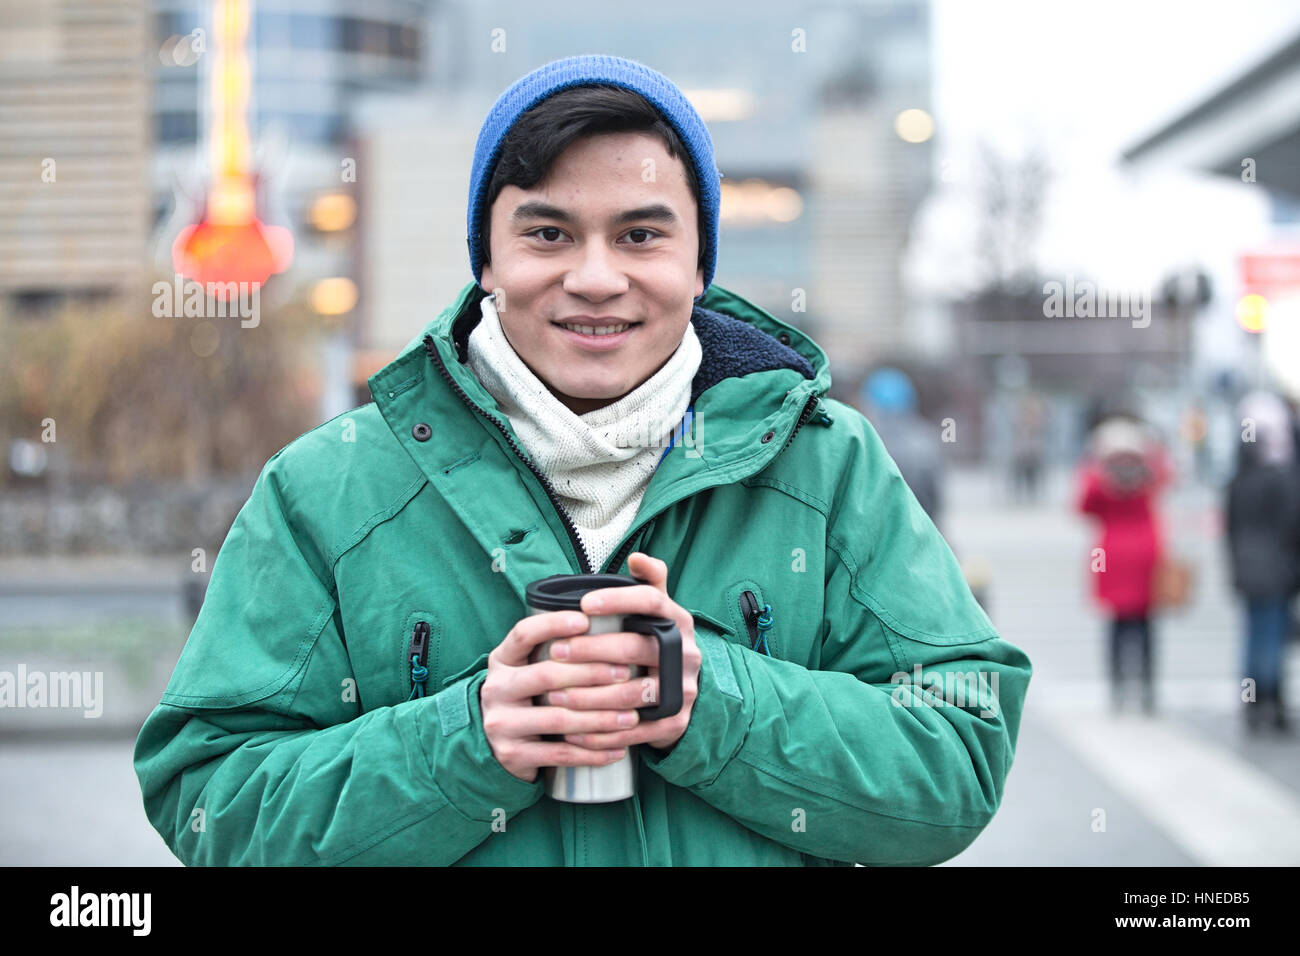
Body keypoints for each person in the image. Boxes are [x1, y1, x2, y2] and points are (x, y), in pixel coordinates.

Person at [134, 54, 1032, 866]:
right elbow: (211, 798)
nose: (597, 277)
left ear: (697, 263)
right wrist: (466, 743)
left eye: (641, 236)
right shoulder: (325, 488)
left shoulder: (829, 468)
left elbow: (957, 754)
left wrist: (715, 702)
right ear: (488, 258)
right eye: (549, 234)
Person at [1076, 414, 1171, 714]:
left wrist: (1097, 463)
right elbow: (1170, 475)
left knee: (1116, 627)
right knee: (1146, 627)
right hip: (1146, 552)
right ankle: (1147, 686)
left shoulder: (1101, 475)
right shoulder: (1149, 470)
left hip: (1112, 556)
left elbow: (1083, 506)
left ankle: (1117, 685)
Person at [1225, 390, 1300, 734]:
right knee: (1271, 638)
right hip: (1276, 570)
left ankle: (1252, 705)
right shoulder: (1280, 478)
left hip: (1248, 568)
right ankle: (1270, 704)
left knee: (1253, 637)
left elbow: (1230, 530)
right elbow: (1291, 526)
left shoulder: (1238, 479)